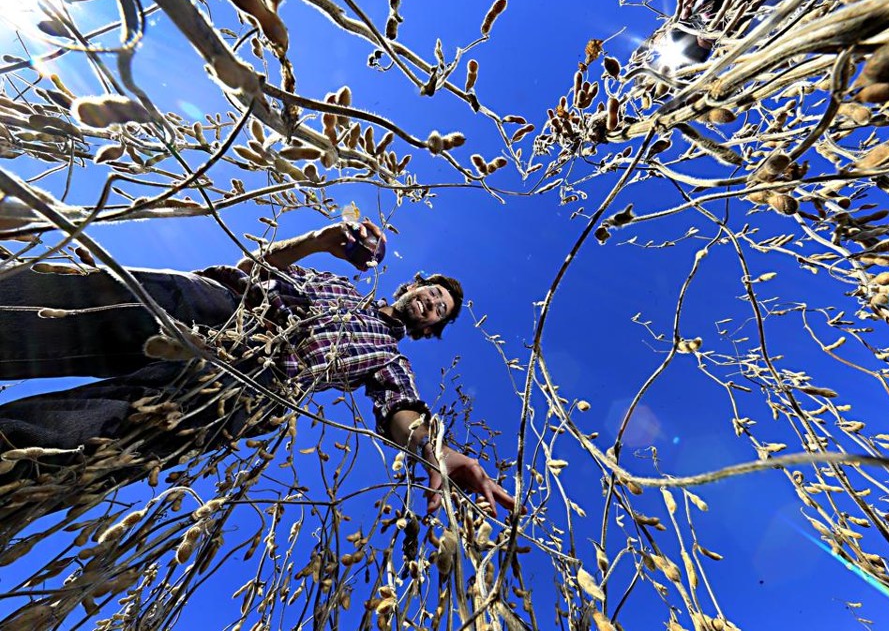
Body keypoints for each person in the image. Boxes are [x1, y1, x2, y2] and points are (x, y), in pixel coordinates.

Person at [0, 220, 517, 516]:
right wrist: (319, 240)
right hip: (230, 305)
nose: (431, 302)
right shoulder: (338, 285)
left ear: (429, 328)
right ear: (409, 287)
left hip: (251, 384)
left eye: (440, 309)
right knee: (90, 304)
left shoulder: (389, 358)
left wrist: (437, 449)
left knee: (93, 434)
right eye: (431, 292)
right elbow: (256, 269)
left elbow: (401, 408)